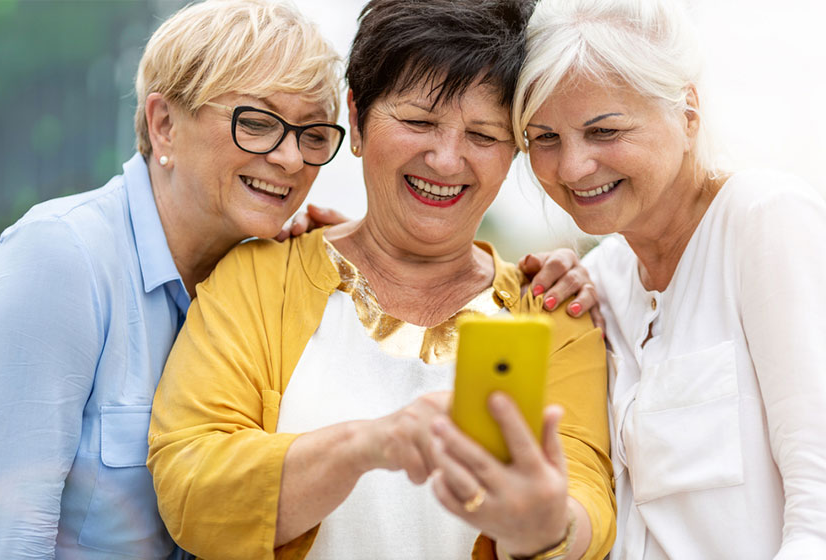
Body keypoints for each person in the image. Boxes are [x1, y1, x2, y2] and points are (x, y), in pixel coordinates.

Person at [147, 1, 616, 559]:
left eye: (484, 135)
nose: (445, 160)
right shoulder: (256, 280)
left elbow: (586, 489)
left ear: (515, 148)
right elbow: (190, 484)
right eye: (418, 121)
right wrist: (369, 444)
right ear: (358, 118)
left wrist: (548, 526)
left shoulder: (552, 309)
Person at [0, 1, 345, 557]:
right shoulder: (61, 258)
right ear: (164, 125)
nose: (292, 158)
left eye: (315, 134)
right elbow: (6, 535)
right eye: (256, 123)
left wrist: (353, 267)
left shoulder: (274, 281)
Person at [513, 0, 826, 558]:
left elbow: (819, 516)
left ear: (687, 112)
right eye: (544, 137)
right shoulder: (602, 278)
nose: (571, 167)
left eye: (604, 130)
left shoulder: (763, 220)